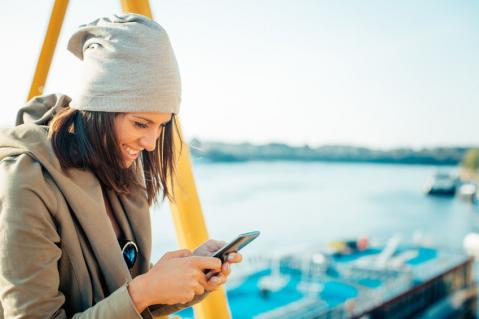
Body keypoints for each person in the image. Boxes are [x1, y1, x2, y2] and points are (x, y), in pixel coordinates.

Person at [0, 13, 241, 318]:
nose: (152, 143)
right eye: (141, 123)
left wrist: (185, 278)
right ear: (97, 108)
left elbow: (117, 294)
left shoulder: (120, 168)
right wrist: (145, 290)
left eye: (161, 126)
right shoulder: (26, 182)